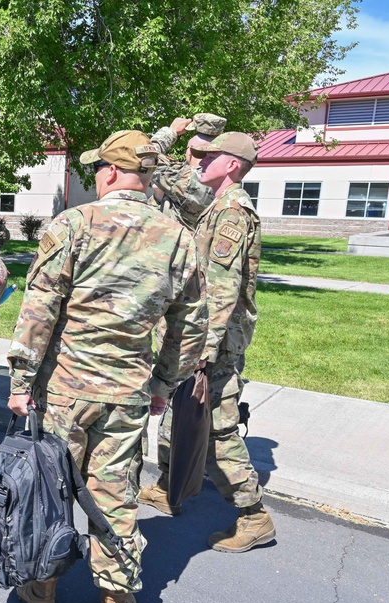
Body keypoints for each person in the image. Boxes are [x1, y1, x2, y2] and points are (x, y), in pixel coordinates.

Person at [6, 130, 207, 603]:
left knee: (50, 493)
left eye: (98, 168)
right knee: (115, 495)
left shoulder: (72, 224)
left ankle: (43, 593)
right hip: (128, 393)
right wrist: (164, 382)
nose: (94, 175)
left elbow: (39, 310)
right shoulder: (178, 237)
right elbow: (191, 326)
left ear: (113, 172)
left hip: (65, 391)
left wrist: (20, 380)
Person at [138, 132, 277, 554]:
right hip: (197, 334)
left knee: (216, 425)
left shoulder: (233, 213)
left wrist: (202, 349)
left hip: (214, 340)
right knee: (182, 412)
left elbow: (221, 288)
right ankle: (169, 486)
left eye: (211, 155)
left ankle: (254, 516)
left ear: (232, 164)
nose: (200, 160)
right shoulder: (213, 205)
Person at [148, 113, 227, 232]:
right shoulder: (224, 180)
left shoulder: (187, 179)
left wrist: (171, 131)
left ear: (190, 152)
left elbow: (145, 158)